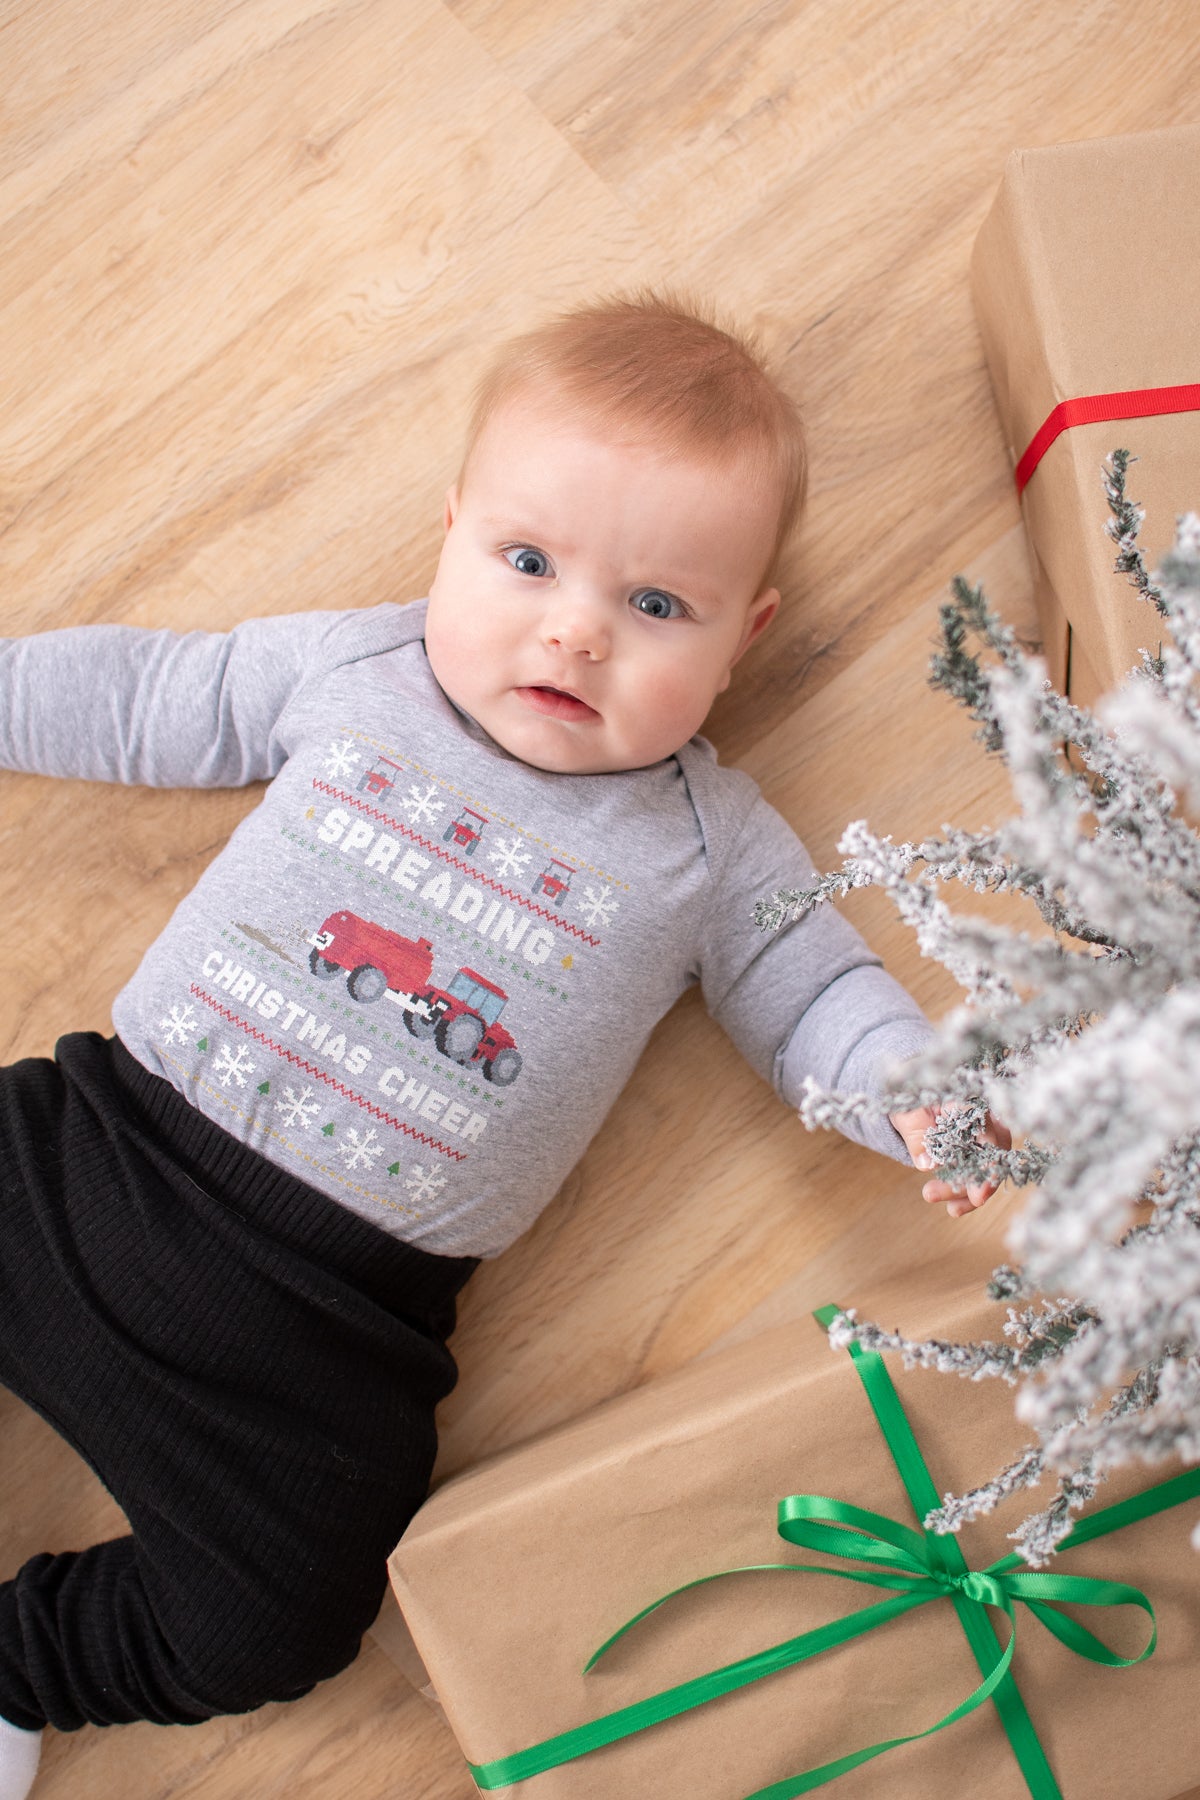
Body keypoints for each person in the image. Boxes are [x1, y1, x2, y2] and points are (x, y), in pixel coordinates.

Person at [0, 290, 1004, 1797]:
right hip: (92, 1158)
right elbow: (158, 693)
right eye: (528, 562)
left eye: (660, 606)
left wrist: (917, 1099)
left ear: (747, 636)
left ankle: (26, 1664)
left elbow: (810, 994)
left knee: (284, 1614)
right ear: (452, 528)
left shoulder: (713, 846)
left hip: (322, 1336)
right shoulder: (359, 669)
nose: (576, 629)